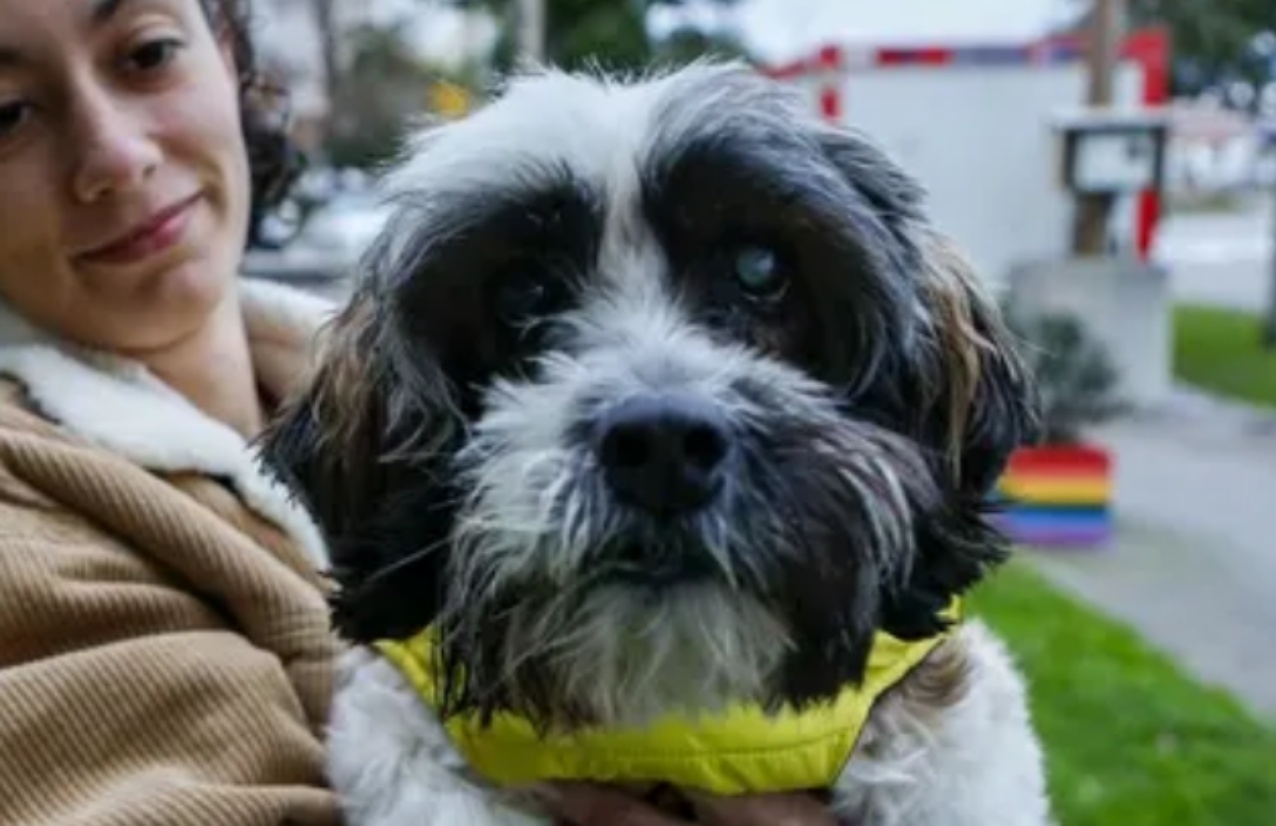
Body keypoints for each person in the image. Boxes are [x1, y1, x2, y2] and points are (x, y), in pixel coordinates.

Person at [0, 1, 838, 824]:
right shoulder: (23, 521)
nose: (113, 154)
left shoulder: (384, 379)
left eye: (146, 54)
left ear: (227, 53)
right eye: (6, 115)